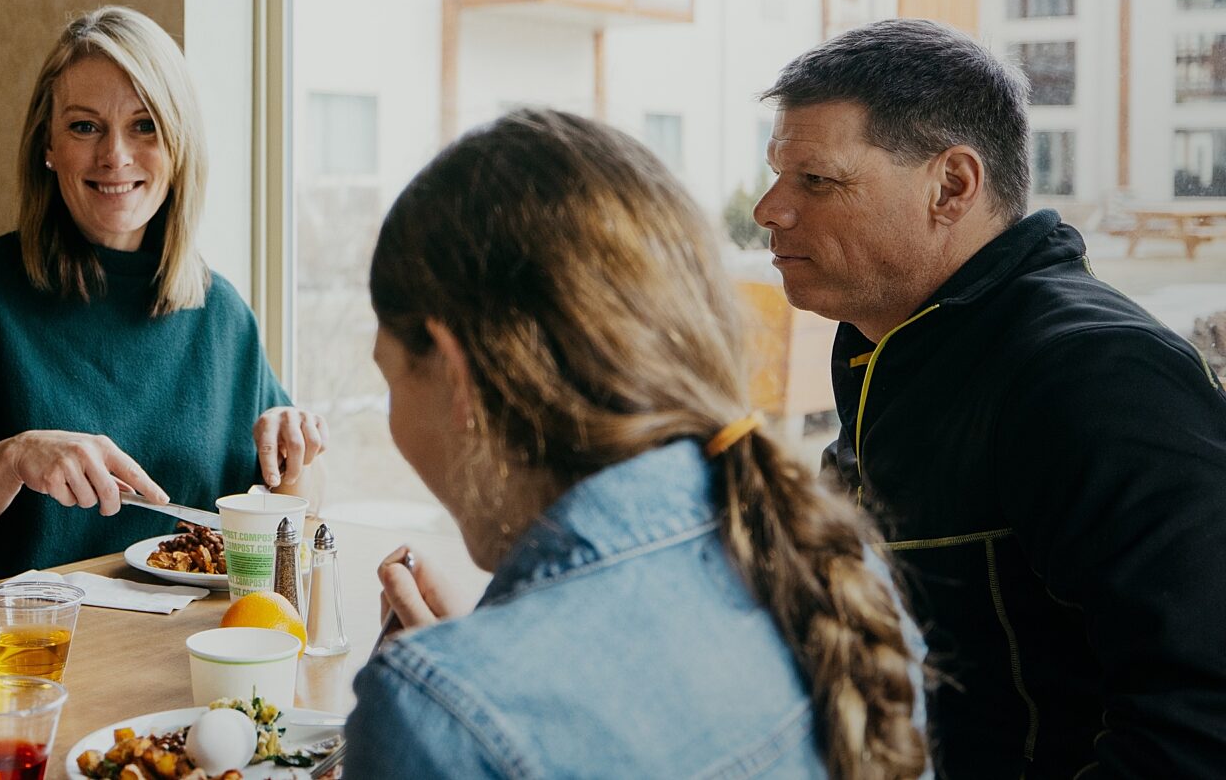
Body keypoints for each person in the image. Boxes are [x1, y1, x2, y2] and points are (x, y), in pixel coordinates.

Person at [348, 109, 927, 779]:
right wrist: (479, 655)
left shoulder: (437, 713)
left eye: (390, 373)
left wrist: (448, 699)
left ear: (454, 373)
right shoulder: (842, 579)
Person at [754, 19, 1226, 777]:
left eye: (816, 180)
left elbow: (1201, 728)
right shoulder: (892, 355)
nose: (769, 209)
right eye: (777, 174)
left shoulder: (1096, 376)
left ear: (951, 186)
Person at [0, 6, 324, 595]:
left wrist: (294, 453)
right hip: (7, 655)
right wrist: (10, 460)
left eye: (144, 125)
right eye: (84, 126)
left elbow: (290, 524)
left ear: (180, 146)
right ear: (47, 145)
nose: (115, 156)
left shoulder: (220, 314)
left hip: (174, 657)